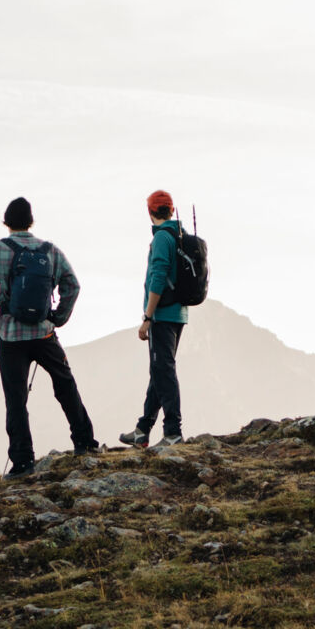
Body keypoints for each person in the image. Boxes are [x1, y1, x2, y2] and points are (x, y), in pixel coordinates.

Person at [0, 197, 97, 478]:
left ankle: (22, 462)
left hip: (11, 335)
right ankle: (85, 442)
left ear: (6, 222)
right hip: (44, 333)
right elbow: (72, 285)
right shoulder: (50, 250)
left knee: (16, 399)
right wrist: (57, 318)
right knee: (65, 385)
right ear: (31, 221)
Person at [122, 189, 191, 449]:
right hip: (179, 312)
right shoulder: (180, 235)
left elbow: (158, 276)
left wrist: (148, 316)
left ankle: (173, 431)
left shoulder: (162, 237)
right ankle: (143, 429)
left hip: (162, 314)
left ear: (150, 212)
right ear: (171, 210)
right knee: (160, 370)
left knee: (164, 370)